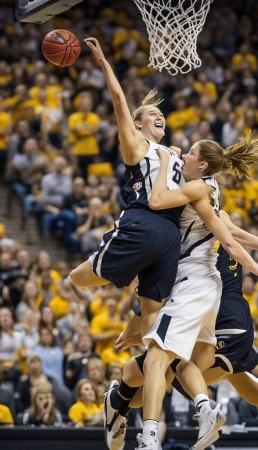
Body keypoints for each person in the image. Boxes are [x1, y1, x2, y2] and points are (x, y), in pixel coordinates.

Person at [132, 136, 258, 449]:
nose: (186, 154)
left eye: (191, 152)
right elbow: (233, 235)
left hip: (192, 283)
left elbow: (157, 199)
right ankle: (206, 408)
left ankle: (149, 438)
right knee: (187, 365)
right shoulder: (211, 188)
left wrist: (166, 159)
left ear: (203, 164)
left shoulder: (199, 188)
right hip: (208, 288)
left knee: (156, 359)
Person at [104, 226, 258, 450]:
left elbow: (148, 301)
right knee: (248, 388)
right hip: (226, 319)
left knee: (165, 370)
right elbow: (236, 236)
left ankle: (130, 405)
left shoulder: (179, 242)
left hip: (220, 317)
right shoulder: (213, 225)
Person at [69, 37, 186, 343]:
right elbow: (119, 102)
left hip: (170, 232)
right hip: (145, 221)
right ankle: (74, 288)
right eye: (151, 114)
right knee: (87, 276)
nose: (159, 116)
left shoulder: (174, 151)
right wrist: (104, 63)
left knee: (151, 307)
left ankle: (152, 361)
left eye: (161, 114)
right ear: (136, 124)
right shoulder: (136, 144)